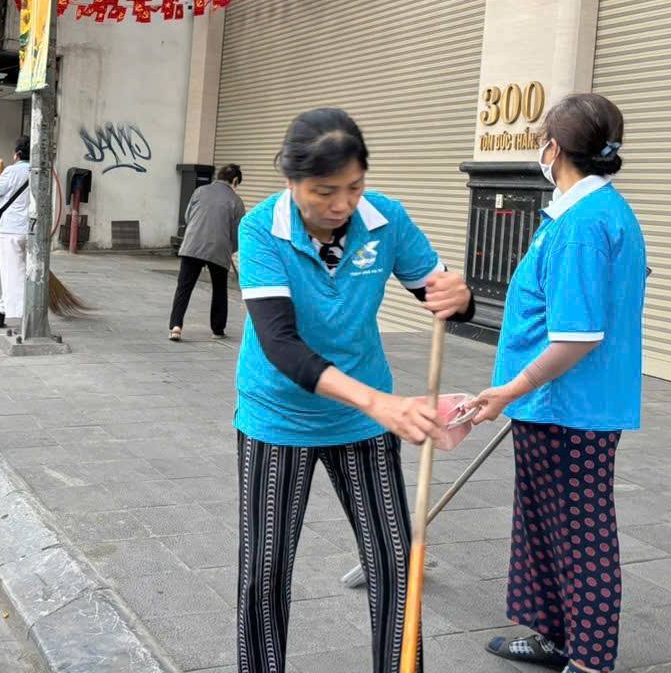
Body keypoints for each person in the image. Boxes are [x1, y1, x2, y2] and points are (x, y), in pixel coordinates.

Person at [235, 108, 476, 673]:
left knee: (396, 563)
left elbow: (437, 291)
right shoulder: (261, 229)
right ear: (290, 181)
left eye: (353, 187)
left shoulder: (385, 219)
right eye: (324, 191)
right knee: (265, 573)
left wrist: (457, 296)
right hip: (280, 418)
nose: (341, 204)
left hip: (364, 426)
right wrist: (379, 401)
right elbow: (281, 345)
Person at [470, 94, 646, 673]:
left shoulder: (583, 226)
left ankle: (589, 660)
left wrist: (509, 390)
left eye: (542, 138)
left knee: (581, 537)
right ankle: (554, 635)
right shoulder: (588, 215)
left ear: (555, 148)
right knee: (545, 527)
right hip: (554, 406)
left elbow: (576, 336)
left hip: (571, 406)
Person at [168, 164, 246, 341]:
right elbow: (237, 233)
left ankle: (175, 326)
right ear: (235, 181)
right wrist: (230, 249)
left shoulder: (199, 191)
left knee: (184, 287)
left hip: (192, 245)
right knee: (219, 289)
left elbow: (188, 217)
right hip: (219, 249)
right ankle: (217, 330)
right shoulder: (236, 201)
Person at [0, 137, 32, 329]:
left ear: (17, 154)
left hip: (11, 230)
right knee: (22, 272)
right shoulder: (40, 172)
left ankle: (19, 314)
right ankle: (2, 313)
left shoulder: (11, 171)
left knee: (11, 274)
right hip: (31, 230)